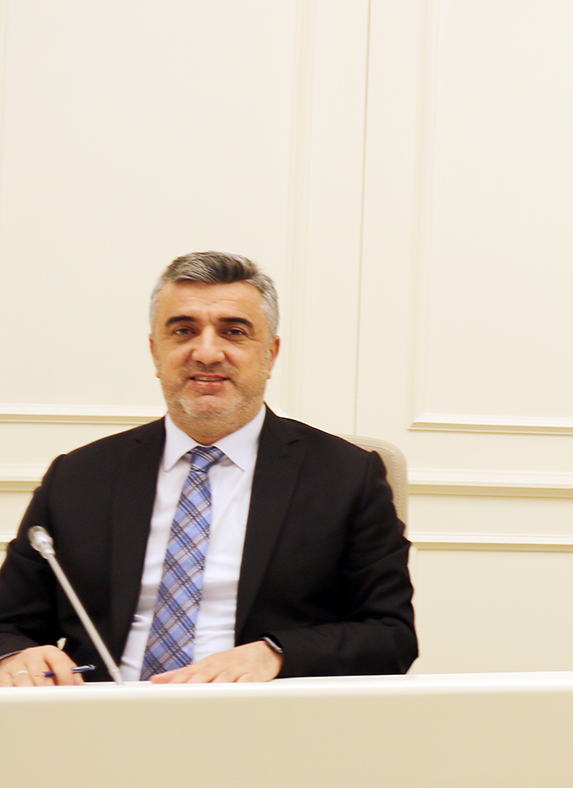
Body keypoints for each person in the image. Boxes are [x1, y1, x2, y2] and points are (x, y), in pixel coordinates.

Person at [0, 252, 417, 685]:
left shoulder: (346, 476)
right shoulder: (79, 475)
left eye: (234, 332)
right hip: (104, 713)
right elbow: (8, 624)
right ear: (155, 352)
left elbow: (391, 635)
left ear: (271, 354)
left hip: (263, 714)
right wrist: (15, 656)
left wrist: (276, 654)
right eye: (183, 331)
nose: (207, 352)